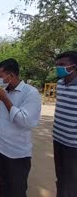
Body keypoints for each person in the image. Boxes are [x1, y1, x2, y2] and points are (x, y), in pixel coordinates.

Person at [0, 58, 41, 197]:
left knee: (16, 191)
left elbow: (25, 121)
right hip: (1, 149)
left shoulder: (30, 93)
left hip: (17, 155)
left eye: (0, 76)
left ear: (11, 75)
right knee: (3, 187)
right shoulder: (5, 91)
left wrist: (5, 100)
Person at [53, 51, 77, 197]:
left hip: (73, 144)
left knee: (72, 180)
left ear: (74, 66)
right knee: (60, 177)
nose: (58, 68)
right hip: (58, 139)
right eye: (57, 65)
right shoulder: (60, 84)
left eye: (62, 65)